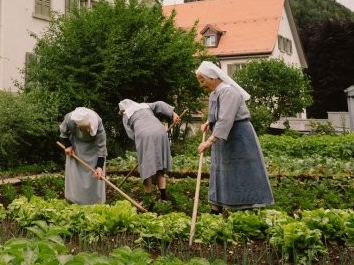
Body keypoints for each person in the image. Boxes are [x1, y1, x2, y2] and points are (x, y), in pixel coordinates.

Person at [195, 61, 275, 211]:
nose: (201, 85)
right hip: (222, 137)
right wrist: (208, 122)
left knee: (241, 170)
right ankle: (217, 206)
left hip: (238, 136)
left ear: (213, 77)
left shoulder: (229, 92)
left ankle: (247, 206)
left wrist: (209, 141)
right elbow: (217, 114)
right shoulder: (214, 94)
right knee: (221, 170)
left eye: (202, 80)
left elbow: (226, 119)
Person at [118, 99, 181, 201]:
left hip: (143, 135)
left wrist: (143, 149)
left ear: (123, 110)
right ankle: (163, 197)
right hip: (160, 131)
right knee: (159, 164)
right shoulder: (144, 105)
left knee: (146, 167)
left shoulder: (126, 115)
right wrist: (173, 114)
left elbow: (131, 134)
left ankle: (147, 197)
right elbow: (160, 104)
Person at [58, 107, 107, 205]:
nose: (87, 130)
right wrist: (68, 145)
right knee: (75, 176)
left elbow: (102, 146)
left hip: (94, 149)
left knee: (95, 179)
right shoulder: (70, 119)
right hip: (76, 148)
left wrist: (99, 167)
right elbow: (63, 132)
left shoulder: (97, 121)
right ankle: (74, 200)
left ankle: (95, 202)